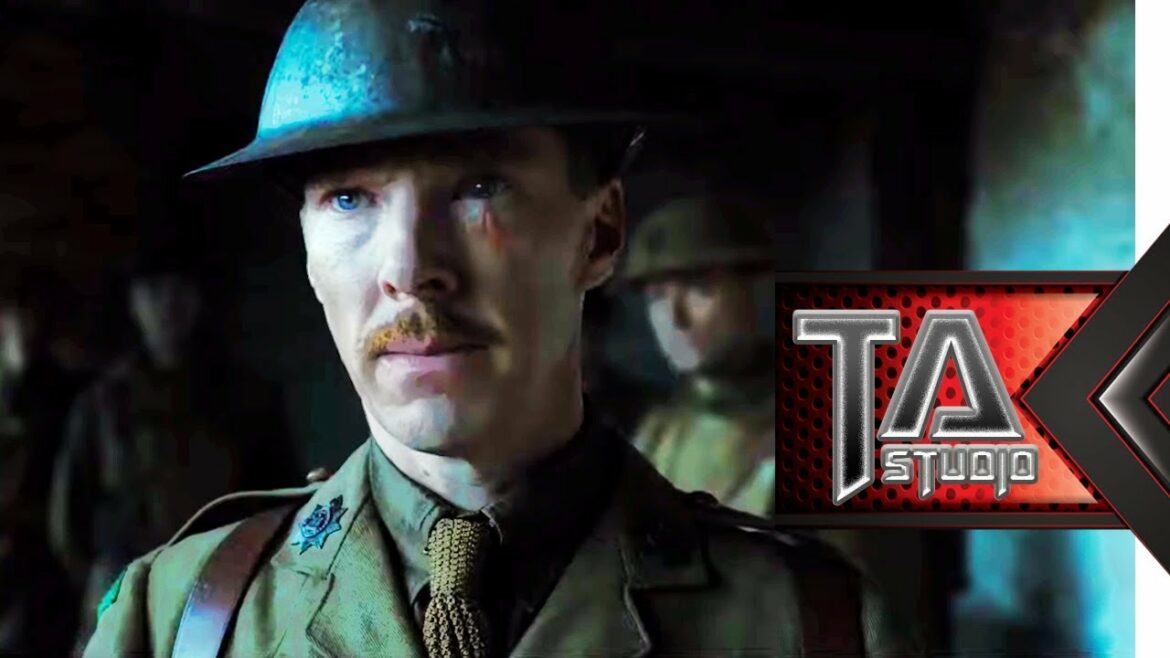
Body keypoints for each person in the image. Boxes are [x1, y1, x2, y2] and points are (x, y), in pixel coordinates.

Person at [84, 1, 923, 656]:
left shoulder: (810, 625)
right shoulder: (184, 616)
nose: (409, 268)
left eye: (479, 187)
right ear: (306, 252)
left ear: (599, 234)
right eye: (349, 199)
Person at [52, 247, 301, 651]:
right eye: (153, 292)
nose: (167, 305)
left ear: (197, 299)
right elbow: (68, 519)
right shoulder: (103, 403)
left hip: (222, 591)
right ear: (134, 303)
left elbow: (282, 500)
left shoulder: (244, 397)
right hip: (124, 589)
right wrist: (111, 581)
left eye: (178, 290)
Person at [624, 196, 777, 517]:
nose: (675, 318)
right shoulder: (657, 434)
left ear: (755, 291)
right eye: (657, 297)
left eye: (699, 289)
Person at [0, 274, 86, 656]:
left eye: (32, 317)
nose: (24, 327)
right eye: (15, 316)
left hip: (44, 547)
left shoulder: (68, 396)